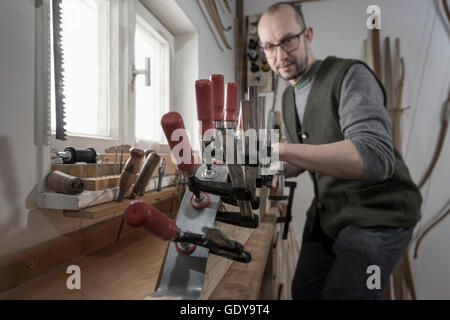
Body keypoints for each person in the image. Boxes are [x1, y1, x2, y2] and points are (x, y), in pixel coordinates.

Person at [257, 2, 422, 299]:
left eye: (287, 41)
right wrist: (268, 165)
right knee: (304, 292)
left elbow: (373, 157)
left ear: (308, 35)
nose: (279, 56)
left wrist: (281, 150)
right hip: (328, 214)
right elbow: (303, 157)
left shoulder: (350, 75)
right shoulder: (288, 97)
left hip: (377, 216)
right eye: (269, 47)